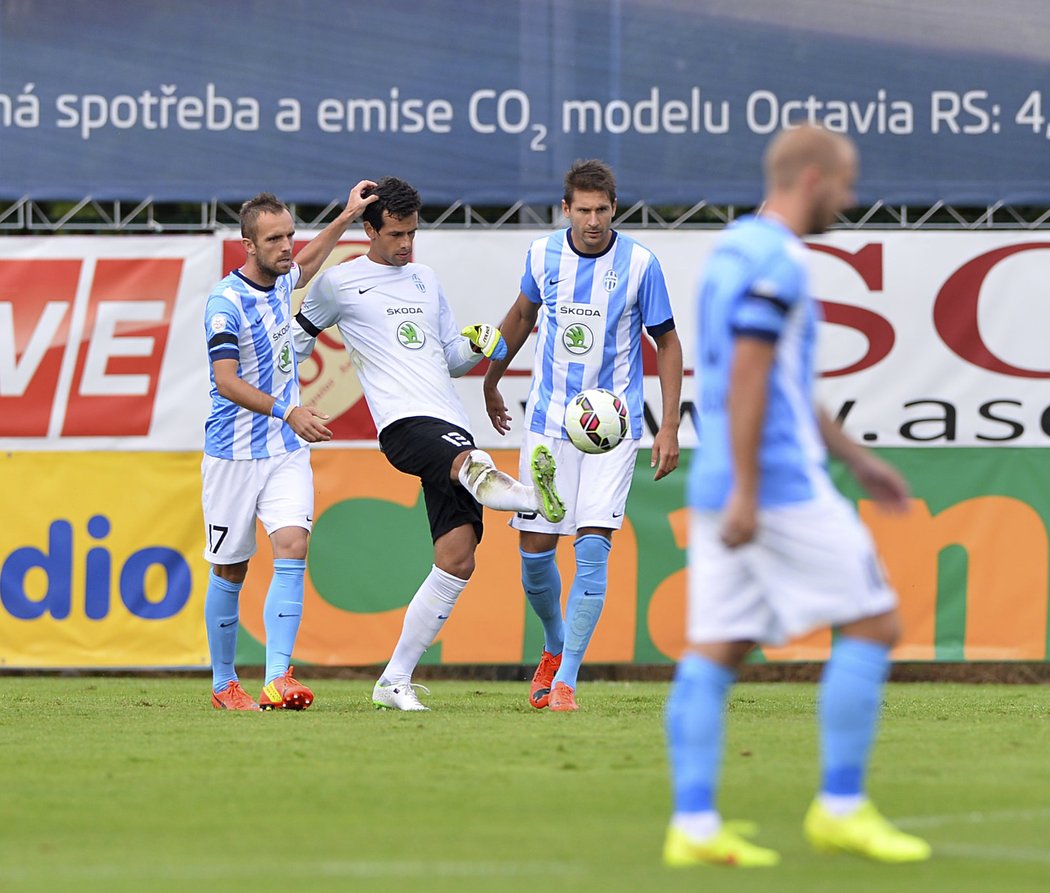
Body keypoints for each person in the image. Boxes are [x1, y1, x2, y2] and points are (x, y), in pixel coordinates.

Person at [663, 125, 931, 866]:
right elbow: (750, 374)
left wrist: (859, 459)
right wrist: (754, 487)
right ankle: (841, 805)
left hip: (726, 477)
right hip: (775, 482)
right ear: (812, 178)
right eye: (845, 186)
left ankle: (693, 823)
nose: (849, 200)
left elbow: (775, 378)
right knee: (876, 623)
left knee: (717, 649)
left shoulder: (731, 251)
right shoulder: (779, 259)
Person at [290, 176, 565, 712]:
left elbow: (449, 358)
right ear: (370, 229)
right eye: (396, 234)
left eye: (413, 233)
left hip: (449, 423)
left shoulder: (424, 279)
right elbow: (294, 345)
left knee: (458, 558)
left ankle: (393, 680)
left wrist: (477, 345)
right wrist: (288, 406)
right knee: (475, 466)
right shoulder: (339, 284)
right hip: (403, 427)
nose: (406, 244)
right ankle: (533, 498)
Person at [484, 159, 683, 712]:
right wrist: (492, 382)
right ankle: (554, 645)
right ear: (566, 209)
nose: (593, 220)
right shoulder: (542, 256)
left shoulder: (641, 265)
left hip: (612, 431)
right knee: (534, 553)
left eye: (602, 210)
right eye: (583, 210)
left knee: (593, 548)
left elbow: (667, 342)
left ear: (614, 208)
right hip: (549, 426)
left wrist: (666, 425)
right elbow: (521, 319)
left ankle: (566, 680)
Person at [202, 183, 377, 711]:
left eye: (288, 235)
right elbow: (226, 381)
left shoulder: (282, 281)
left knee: (293, 547)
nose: (285, 247)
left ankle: (278, 676)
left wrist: (348, 214)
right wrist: (289, 410)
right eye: (273, 239)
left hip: (284, 451)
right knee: (231, 569)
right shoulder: (223, 302)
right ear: (248, 246)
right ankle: (223, 683)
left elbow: (309, 259)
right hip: (232, 454)